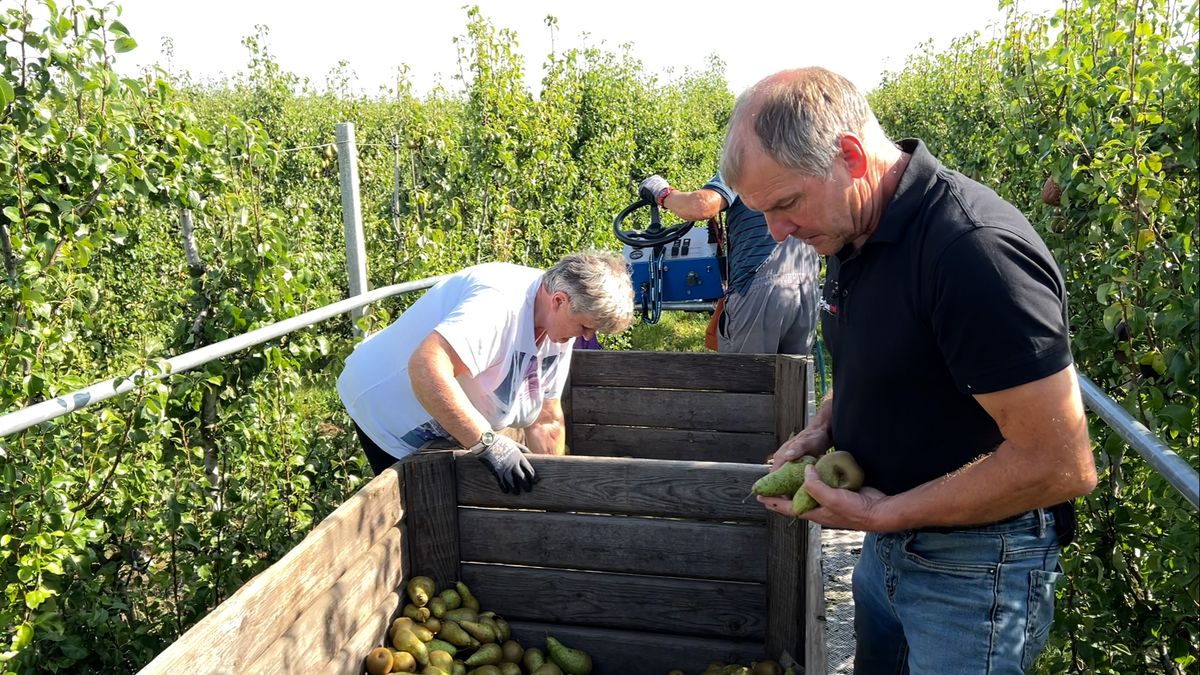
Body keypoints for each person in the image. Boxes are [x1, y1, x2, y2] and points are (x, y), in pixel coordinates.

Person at [722, 67, 1097, 674]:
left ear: (849, 156)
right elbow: (886, 357)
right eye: (763, 211)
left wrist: (876, 515)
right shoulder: (851, 233)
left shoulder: (974, 253)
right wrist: (828, 423)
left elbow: (1059, 464)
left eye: (787, 203)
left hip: (976, 571)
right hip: (892, 546)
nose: (777, 231)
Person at [337, 252, 635, 494]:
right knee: (414, 503)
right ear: (559, 301)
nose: (586, 336)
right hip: (386, 405)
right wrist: (487, 442)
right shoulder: (499, 305)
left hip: (444, 426)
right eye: (585, 327)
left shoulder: (559, 326)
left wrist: (554, 490)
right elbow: (427, 366)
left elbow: (546, 418)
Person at [636, 172, 820, 354]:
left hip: (761, 285)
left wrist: (662, 193)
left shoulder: (746, 162)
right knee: (793, 376)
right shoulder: (805, 160)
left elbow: (700, 206)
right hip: (807, 284)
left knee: (743, 377)